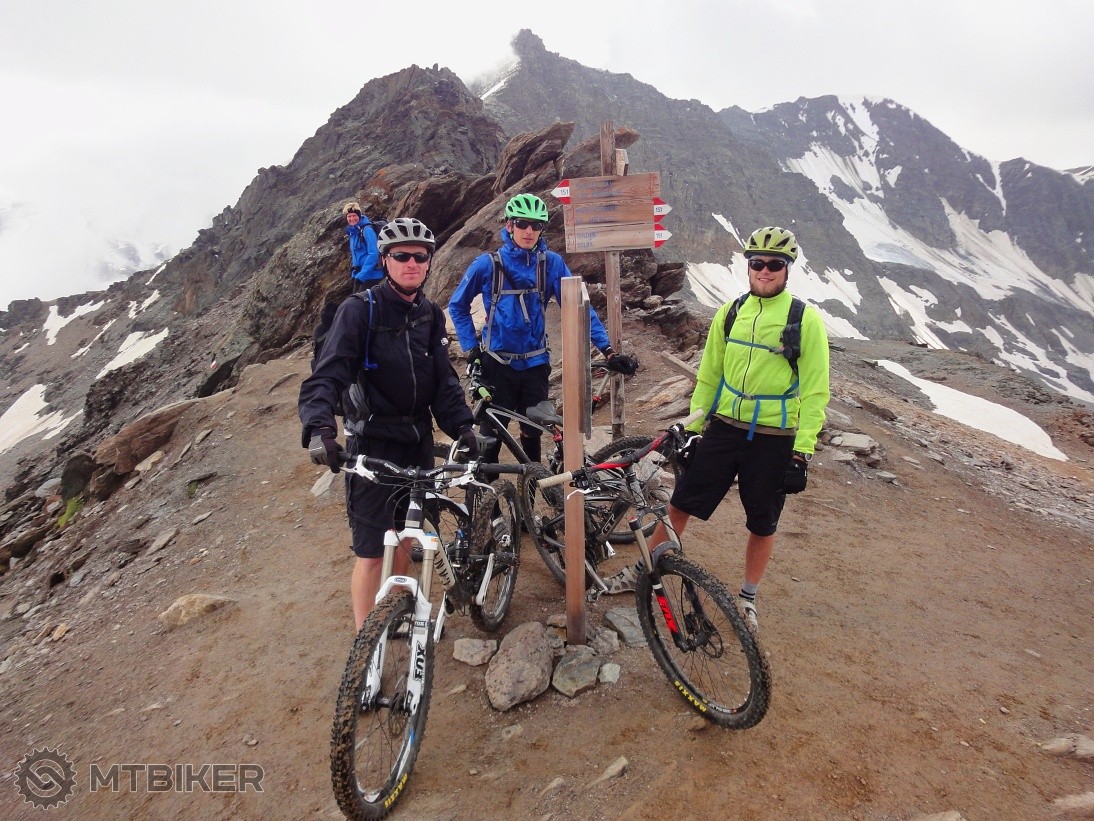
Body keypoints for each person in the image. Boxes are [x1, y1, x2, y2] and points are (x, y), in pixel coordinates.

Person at [604, 226, 830, 621]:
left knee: (762, 523)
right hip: (725, 428)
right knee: (681, 504)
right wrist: (693, 429)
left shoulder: (804, 320)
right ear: (748, 266)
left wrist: (802, 452)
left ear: (787, 269)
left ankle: (747, 598)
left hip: (774, 436)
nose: (765, 270)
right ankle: (644, 569)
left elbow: (815, 391)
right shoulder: (731, 313)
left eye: (774, 264)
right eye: (757, 263)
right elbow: (709, 377)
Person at [299, 217, 479, 630]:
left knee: (406, 535)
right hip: (372, 443)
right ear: (385, 260)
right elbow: (327, 376)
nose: (411, 263)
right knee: (371, 551)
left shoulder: (430, 314)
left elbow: (444, 382)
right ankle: (368, 641)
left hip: (417, 441)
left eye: (420, 256)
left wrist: (462, 426)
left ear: (429, 262)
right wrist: (320, 429)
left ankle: (396, 613)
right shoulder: (359, 310)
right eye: (401, 256)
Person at [447, 192, 638, 463]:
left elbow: (579, 308)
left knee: (532, 432)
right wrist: (471, 348)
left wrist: (607, 349)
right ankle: (488, 489)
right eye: (522, 223)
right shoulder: (487, 265)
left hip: (535, 365)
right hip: (497, 364)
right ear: (509, 225)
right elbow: (457, 305)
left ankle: (531, 486)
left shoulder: (551, 264)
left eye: (536, 225)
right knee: (492, 435)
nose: (529, 231)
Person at [342, 201, 383, 291]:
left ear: (359, 215)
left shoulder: (367, 230)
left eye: (354, 215)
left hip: (372, 275)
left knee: (361, 299)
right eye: (349, 216)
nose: (352, 219)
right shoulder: (353, 232)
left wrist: (362, 275)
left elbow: (373, 254)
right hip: (360, 274)